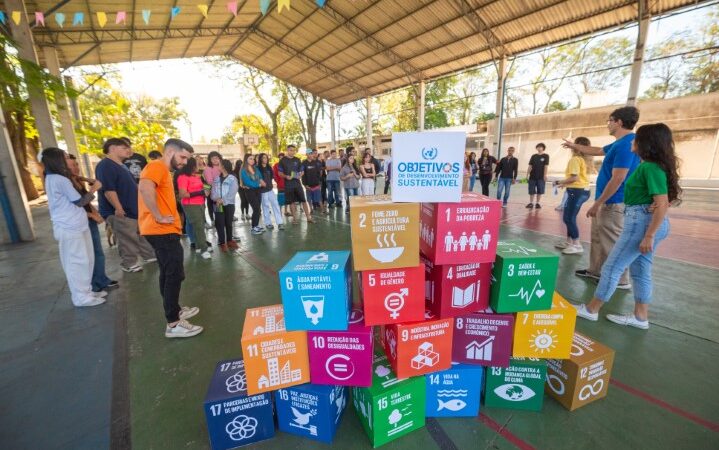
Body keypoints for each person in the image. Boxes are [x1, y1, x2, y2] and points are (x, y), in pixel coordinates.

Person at [574, 123, 680, 330]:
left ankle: (592, 309)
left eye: (636, 138)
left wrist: (649, 235)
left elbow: (662, 202)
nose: (632, 141)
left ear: (647, 143)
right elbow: (666, 199)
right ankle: (640, 317)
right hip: (644, 222)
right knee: (640, 271)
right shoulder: (652, 166)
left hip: (641, 225)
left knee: (612, 267)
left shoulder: (650, 167)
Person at [563, 106, 641, 290]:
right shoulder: (618, 143)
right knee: (598, 238)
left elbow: (618, 177)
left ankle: (621, 279)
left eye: (610, 120)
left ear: (619, 122)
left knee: (612, 241)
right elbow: (597, 150)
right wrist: (574, 145)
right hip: (606, 201)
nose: (608, 124)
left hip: (614, 202)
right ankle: (595, 270)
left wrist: (598, 203)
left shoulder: (626, 145)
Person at [138, 138, 203, 338]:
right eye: (182, 156)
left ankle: (175, 309)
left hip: (161, 229)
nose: (184, 162)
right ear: (170, 152)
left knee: (168, 272)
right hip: (160, 229)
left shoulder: (163, 170)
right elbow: (145, 187)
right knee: (174, 273)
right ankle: (174, 323)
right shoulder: (157, 166)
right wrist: (158, 215)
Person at [41, 147, 106, 307]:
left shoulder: (55, 178)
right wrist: (94, 188)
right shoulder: (58, 179)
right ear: (57, 160)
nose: (68, 159)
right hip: (69, 227)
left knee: (86, 259)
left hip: (76, 225)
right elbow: (80, 201)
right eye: (64, 157)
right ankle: (81, 297)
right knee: (77, 262)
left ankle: (87, 291)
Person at [95, 138, 157, 273]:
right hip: (121, 211)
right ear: (112, 148)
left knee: (141, 234)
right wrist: (118, 208)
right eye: (124, 147)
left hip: (133, 209)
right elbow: (109, 190)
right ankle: (129, 263)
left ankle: (148, 255)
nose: (129, 150)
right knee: (127, 237)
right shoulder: (106, 165)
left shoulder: (120, 165)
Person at [67, 154, 118, 293]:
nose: (75, 168)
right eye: (71, 166)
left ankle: (101, 279)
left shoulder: (76, 180)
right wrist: (92, 214)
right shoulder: (67, 184)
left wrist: (84, 179)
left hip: (89, 219)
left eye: (76, 164)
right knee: (89, 254)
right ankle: (94, 284)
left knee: (97, 252)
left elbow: (87, 200)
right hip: (81, 221)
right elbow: (77, 204)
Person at [553, 137, 592, 255]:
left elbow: (575, 177)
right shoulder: (584, 160)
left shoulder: (575, 159)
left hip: (577, 192)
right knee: (571, 217)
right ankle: (569, 242)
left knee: (568, 218)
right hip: (583, 191)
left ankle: (577, 244)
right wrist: (565, 183)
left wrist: (559, 182)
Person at [177, 158, 212, 259]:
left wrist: (207, 188)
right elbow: (182, 194)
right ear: (192, 166)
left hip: (200, 203)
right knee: (199, 226)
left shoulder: (195, 176)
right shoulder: (183, 177)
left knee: (198, 225)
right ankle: (204, 249)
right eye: (198, 164)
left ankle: (198, 246)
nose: (200, 166)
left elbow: (204, 186)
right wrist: (200, 192)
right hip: (191, 205)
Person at [278, 145, 314, 224]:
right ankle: (295, 219)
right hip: (288, 184)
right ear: (287, 150)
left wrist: (300, 175)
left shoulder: (297, 160)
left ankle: (309, 218)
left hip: (297, 184)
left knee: (303, 200)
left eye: (294, 150)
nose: (292, 152)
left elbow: (302, 171)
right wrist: (286, 176)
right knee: (291, 202)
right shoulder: (282, 160)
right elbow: (279, 173)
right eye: (291, 150)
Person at [210, 159, 239, 251]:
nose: (218, 166)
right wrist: (216, 199)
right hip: (218, 204)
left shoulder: (232, 178)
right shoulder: (216, 179)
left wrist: (223, 200)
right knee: (219, 223)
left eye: (219, 165)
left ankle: (229, 240)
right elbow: (213, 192)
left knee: (228, 223)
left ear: (223, 167)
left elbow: (233, 192)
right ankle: (222, 242)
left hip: (229, 204)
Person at [258, 153, 285, 231]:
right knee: (265, 206)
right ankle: (268, 223)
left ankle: (280, 223)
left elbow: (272, 177)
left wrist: (274, 183)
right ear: (260, 159)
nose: (265, 159)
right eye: (263, 158)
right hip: (262, 191)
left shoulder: (269, 167)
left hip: (270, 190)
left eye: (266, 158)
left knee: (276, 205)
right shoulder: (257, 168)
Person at [240, 154, 266, 234]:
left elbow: (260, 177)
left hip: (258, 190)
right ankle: (253, 228)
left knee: (258, 209)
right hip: (250, 191)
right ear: (246, 160)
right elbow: (247, 182)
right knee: (256, 208)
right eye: (250, 159)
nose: (252, 160)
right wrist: (259, 184)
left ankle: (256, 225)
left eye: (253, 159)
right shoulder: (243, 170)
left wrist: (262, 181)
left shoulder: (255, 168)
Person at [526, 143, 549, 209]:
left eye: (540, 147)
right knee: (531, 190)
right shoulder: (533, 156)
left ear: (543, 148)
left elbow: (546, 166)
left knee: (540, 190)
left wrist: (545, 175)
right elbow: (530, 166)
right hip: (532, 176)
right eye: (538, 147)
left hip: (541, 177)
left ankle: (537, 203)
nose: (539, 148)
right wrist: (527, 175)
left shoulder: (546, 156)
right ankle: (531, 203)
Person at [203, 151, 222, 223]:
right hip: (210, 188)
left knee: (219, 204)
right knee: (212, 204)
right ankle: (213, 219)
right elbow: (209, 181)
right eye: (213, 158)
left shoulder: (221, 167)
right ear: (210, 160)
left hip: (220, 189)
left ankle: (219, 218)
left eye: (217, 158)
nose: (215, 160)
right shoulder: (208, 168)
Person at [272, 153, 290, 217]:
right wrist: (278, 181)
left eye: (283, 157)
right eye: (280, 157)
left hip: (287, 184)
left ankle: (286, 211)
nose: (282, 158)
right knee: (280, 199)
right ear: (279, 158)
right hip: (280, 185)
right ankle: (279, 212)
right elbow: (274, 175)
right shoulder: (276, 165)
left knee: (287, 198)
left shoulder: (287, 165)